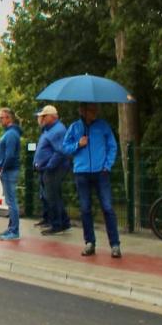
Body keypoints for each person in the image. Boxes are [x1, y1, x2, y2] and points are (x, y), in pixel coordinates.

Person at [61, 103, 121, 257]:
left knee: (107, 208)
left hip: (101, 173)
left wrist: (107, 165)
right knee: (85, 209)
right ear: (82, 111)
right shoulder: (75, 128)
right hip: (81, 173)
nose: (95, 112)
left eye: (96, 110)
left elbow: (112, 146)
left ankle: (115, 245)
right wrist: (78, 144)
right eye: (91, 110)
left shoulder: (103, 126)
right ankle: (90, 243)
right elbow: (65, 148)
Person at [33, 105, 71, 235]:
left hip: (55, 168)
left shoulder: (58, 130)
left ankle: (57, 224)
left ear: (52, 117)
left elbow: (60, 151)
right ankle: (62, 221)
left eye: (43, 116)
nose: (40, 119)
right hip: (48, 168)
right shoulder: (48, 130)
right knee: (51, 195)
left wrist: (49, 166)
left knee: (52, 196)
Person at [0, 108, 23, 240]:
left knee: (11, 201)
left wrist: (3, 168)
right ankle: (11, 227)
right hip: (9, 170)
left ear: (8, 118)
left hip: (9, 171)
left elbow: (10, 155)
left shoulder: (11, 134)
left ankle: (14, 231)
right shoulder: (10, 133)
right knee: (10, 200)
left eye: (1, 118)